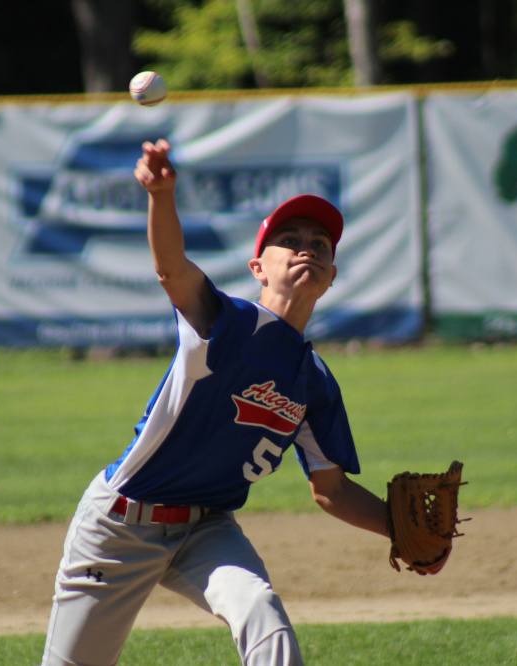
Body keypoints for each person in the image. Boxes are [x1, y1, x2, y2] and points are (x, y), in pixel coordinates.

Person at [40, 139, 389, 666]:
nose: (308, 247)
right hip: (120, 525)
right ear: (257, 268)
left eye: (321, 244)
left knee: (263, 614)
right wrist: (161, 195)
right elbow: (172, 270)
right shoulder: (224, 324)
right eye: (289, 240)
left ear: (332, 276)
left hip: (206, 529)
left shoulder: (313, 382)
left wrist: (401, 531)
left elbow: (332, 490)